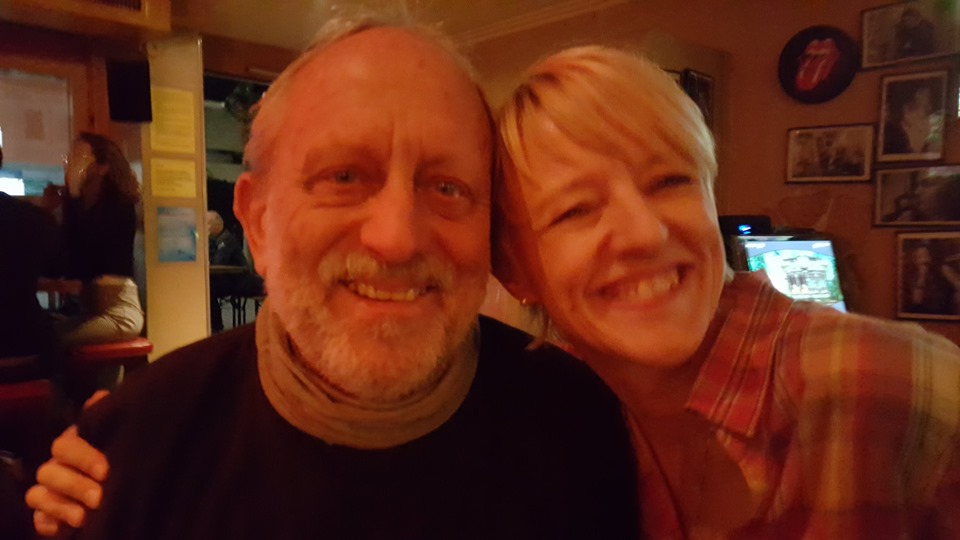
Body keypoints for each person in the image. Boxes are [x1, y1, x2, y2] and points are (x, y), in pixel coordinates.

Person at [24, 17, 638, 539]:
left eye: (448, 187)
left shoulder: (582, 431)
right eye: (344, 177)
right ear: (257, 222)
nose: (396, 238)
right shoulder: (131, 456)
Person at [491, 45, 960, 538]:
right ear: (514, 274)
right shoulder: (555, 420)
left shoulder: (892, 386)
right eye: (576, 210)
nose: (645, 233)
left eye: (670, 181)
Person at [52, 133, 144, 347]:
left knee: (48, 340)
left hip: (120, 313)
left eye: (79, 156)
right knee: (37, 334)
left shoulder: (119, 205)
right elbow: (69, 261)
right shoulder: (84, 206)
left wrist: (73, 193)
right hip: (94, 310)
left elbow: (87, 260)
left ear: (102, 167)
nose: (71, 161)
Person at [207, 209, 248, 331]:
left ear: (218, 224)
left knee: (208, 289)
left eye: (208, 224)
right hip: (227, 278)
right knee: (206, 287)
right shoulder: (216, 240)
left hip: (238, 281)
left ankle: (216, 327)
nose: (206, 228)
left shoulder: (226, 240)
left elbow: (217, 262)